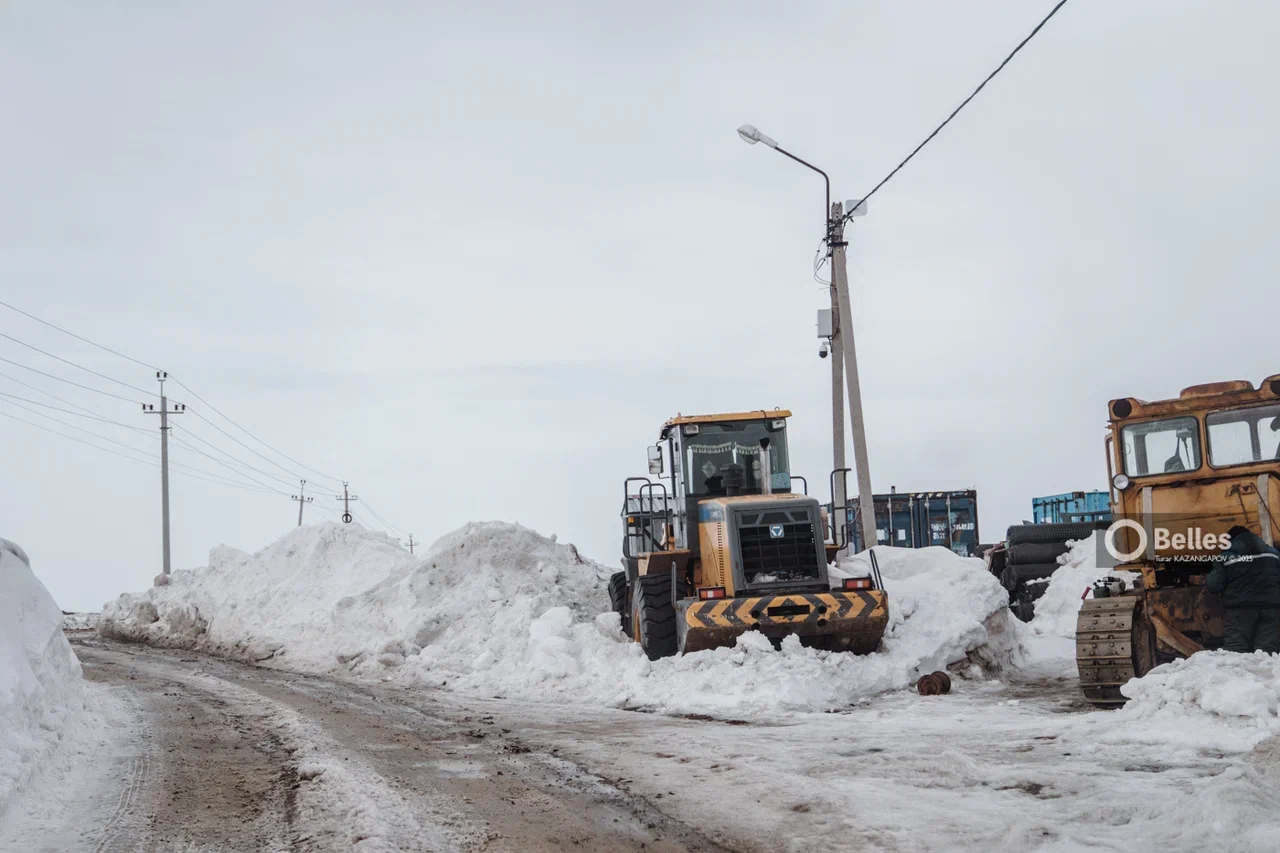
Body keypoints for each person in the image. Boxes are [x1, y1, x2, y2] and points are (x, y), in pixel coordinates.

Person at [1206, 526, 1280, 653]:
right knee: (1266, 650)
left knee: (1236, 650)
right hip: (1270, 608)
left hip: (1240, 610)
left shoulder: (1225, 557)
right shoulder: (1273, 554)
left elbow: (1213, 585)